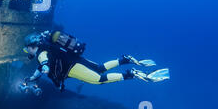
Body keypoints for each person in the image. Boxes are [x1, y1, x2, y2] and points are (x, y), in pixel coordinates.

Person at [22, 31, 169, 91]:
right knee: (100, 68)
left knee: (98, 79)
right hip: (75, 59)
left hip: (72, 68)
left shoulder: (41, 53)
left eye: (27, 48)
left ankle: (132, 74)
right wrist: (32, 78)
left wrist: (46, 68)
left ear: (31, 47)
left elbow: (44, 63)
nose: (27, 51)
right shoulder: (46, 46)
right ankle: (125, 59)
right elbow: (40, 68)